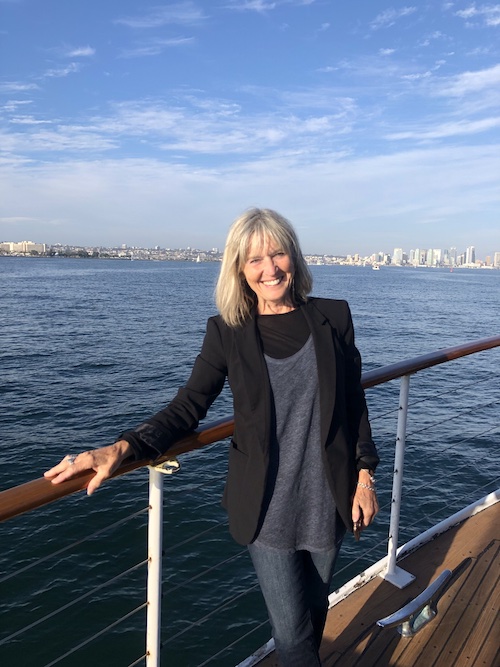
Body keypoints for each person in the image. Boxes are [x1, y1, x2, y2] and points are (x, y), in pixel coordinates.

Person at [45, 208, 379, 667]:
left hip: (328, 499)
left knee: (314, 616)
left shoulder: (333, 317)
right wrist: (121, 448)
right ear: (239, 271)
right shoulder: (227, 332)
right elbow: (188, 406)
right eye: (255, 260)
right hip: (267, 509)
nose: (270, 269)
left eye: (278, 253)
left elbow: (353, 402)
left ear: (294, 257)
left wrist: (364, 476)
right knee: (292, 636)